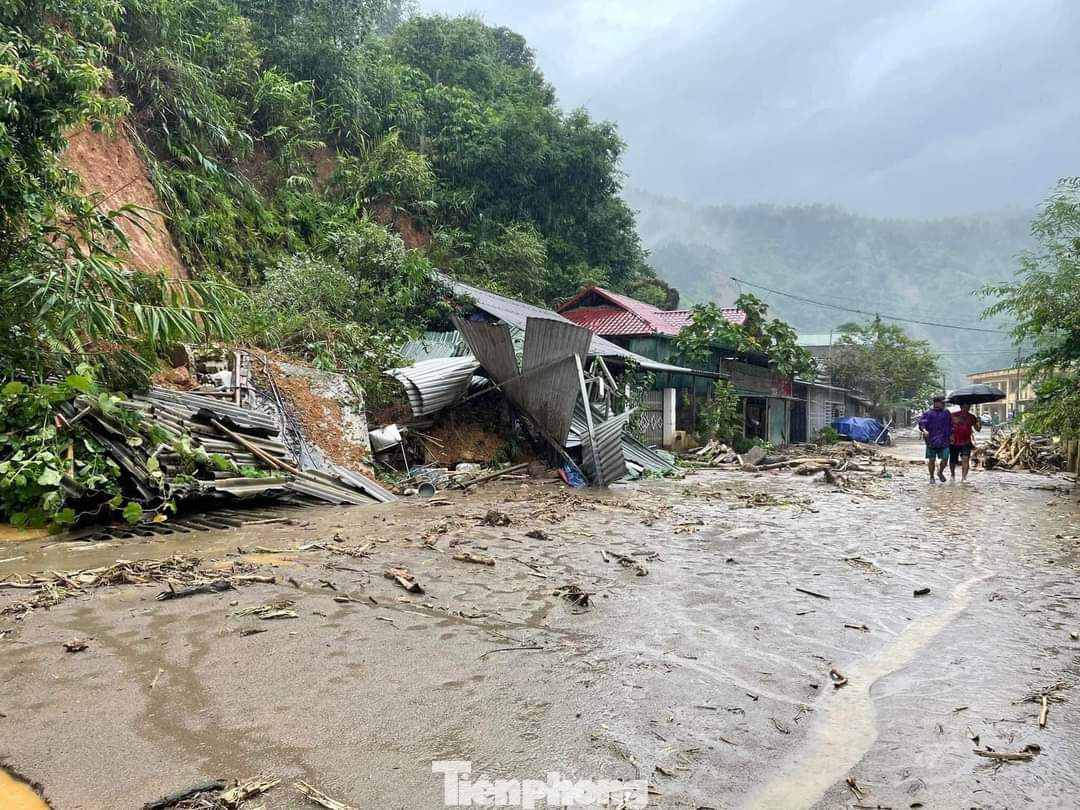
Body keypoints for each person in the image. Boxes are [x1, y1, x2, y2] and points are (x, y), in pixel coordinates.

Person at [918, 396, 952, 483]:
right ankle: (931, 477)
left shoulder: (947, 413)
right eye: (942, 403)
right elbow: (922, 423)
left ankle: (940, 472)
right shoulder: (928, 413)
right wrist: (924, 430)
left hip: (944, 440)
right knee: (931, 459)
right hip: (931, 440)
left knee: (945, 459)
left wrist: (952, 435)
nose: (943, 405)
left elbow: (951, 425)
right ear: (936, 403)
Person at [949, 403, 982, 482]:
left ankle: (964, 477)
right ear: (961, 407)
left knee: (965, 458)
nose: (966, 409)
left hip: (966, 442)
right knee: (953, 460)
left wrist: (979, 422)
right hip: (954, 441)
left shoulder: (972, 417)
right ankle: (952, 474)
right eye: (964, 407)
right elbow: (946, 426)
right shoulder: (953, 415)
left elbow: (978, 429)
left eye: (968, 407)